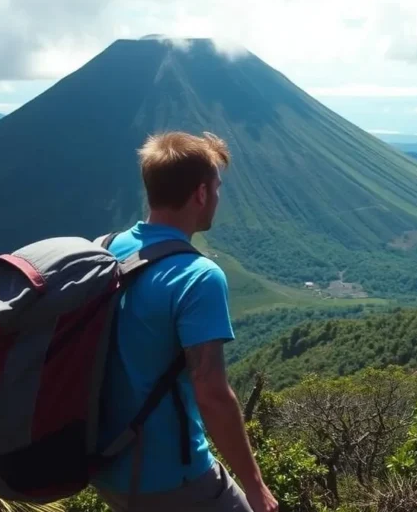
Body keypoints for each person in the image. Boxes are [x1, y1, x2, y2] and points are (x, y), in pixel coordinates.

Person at [91, 130, 278, 512]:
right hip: (171, 476)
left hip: (106, 467)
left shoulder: (103, 249)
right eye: (218, 187)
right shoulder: (197, 276)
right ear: (202, 194)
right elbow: (211, 393)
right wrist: (256, 486)